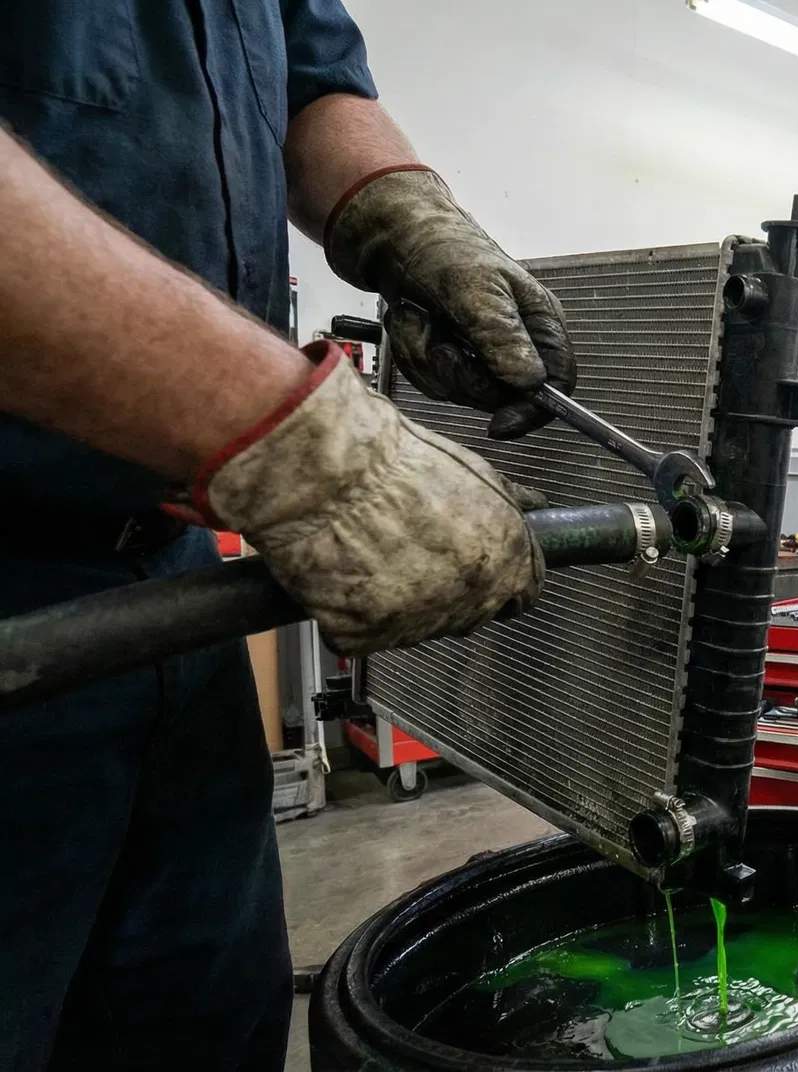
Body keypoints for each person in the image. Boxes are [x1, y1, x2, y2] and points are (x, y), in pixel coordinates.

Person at [0, 4, 576, 1068]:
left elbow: (313, 81)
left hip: (167, 598)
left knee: (207, 1024)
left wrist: (409, 221)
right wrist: (306, 444)